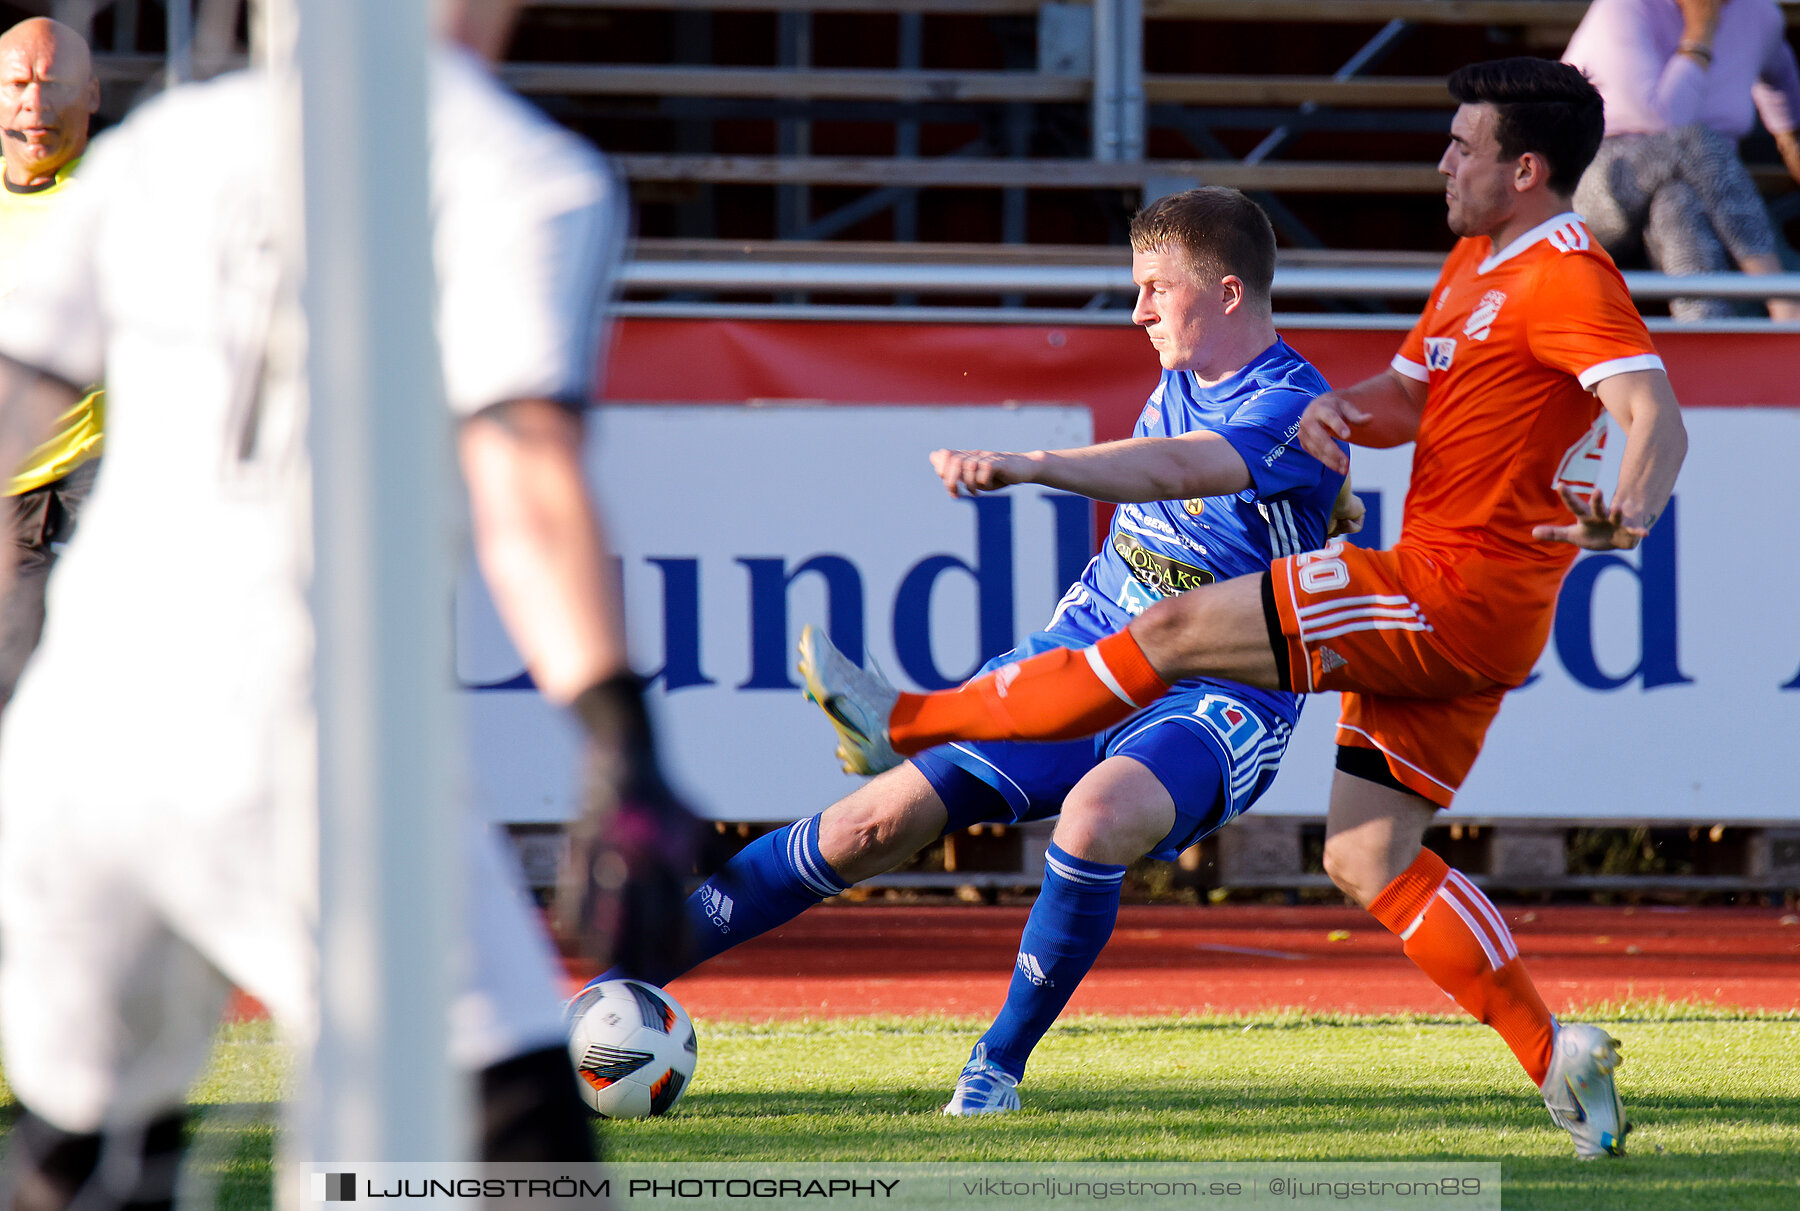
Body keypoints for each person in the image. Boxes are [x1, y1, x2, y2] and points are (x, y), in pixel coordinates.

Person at [803, 59, 1688, 1160]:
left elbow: (1652, 413)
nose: (1443, 162)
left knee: (1173, 632)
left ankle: (902, 720)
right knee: (1370, 856)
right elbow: (1411, 395)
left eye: (1463, 146)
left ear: (1525, 167)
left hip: (1449, 590)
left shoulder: (1564, 272)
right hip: (1461, 616)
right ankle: (1561, 1059)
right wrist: (1337, 413)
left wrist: (1628, 513)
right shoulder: (1477, 264)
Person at [0, 0, 690, 1203]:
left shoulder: (162, 146)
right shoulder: (518, 169)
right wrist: (621, 741)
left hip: (76, 732)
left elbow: (13, 400)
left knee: (87, 1149)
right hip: (291, 731)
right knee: (521, 1142)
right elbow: (523, 472)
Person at [600, 186, 1359, 1113]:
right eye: (1137, 287)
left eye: (1156, 288)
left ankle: (994, 1065)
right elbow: (1242, 485)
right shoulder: (1188, 373)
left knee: (1094, 818)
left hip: (1219, 695)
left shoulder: (1293, 403)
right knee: (865, 826)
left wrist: (1033, 466)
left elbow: (1174, 468)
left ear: (1230, 293)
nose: (1138, 311)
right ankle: (625, 983)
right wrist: (1330, 508)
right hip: (1090, 652)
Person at [1563, 0, 1800, 319]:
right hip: (1594, 184)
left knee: (1678, 201)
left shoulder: (1759, 14)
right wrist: (1701, 32)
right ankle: (1780, 294)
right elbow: (1664, 119)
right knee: (1694, 140)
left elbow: (1784, 93)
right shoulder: (1622, 8)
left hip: (1701, 191)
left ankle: (1706, 332)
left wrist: (1788, 138)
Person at [0, 17, 102, 710]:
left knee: (127, 662)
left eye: (55, 86)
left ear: (91, 95)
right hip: (12, 477)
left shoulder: (123, 192)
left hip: (106, 464)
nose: (34, 109)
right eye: (18, 86)